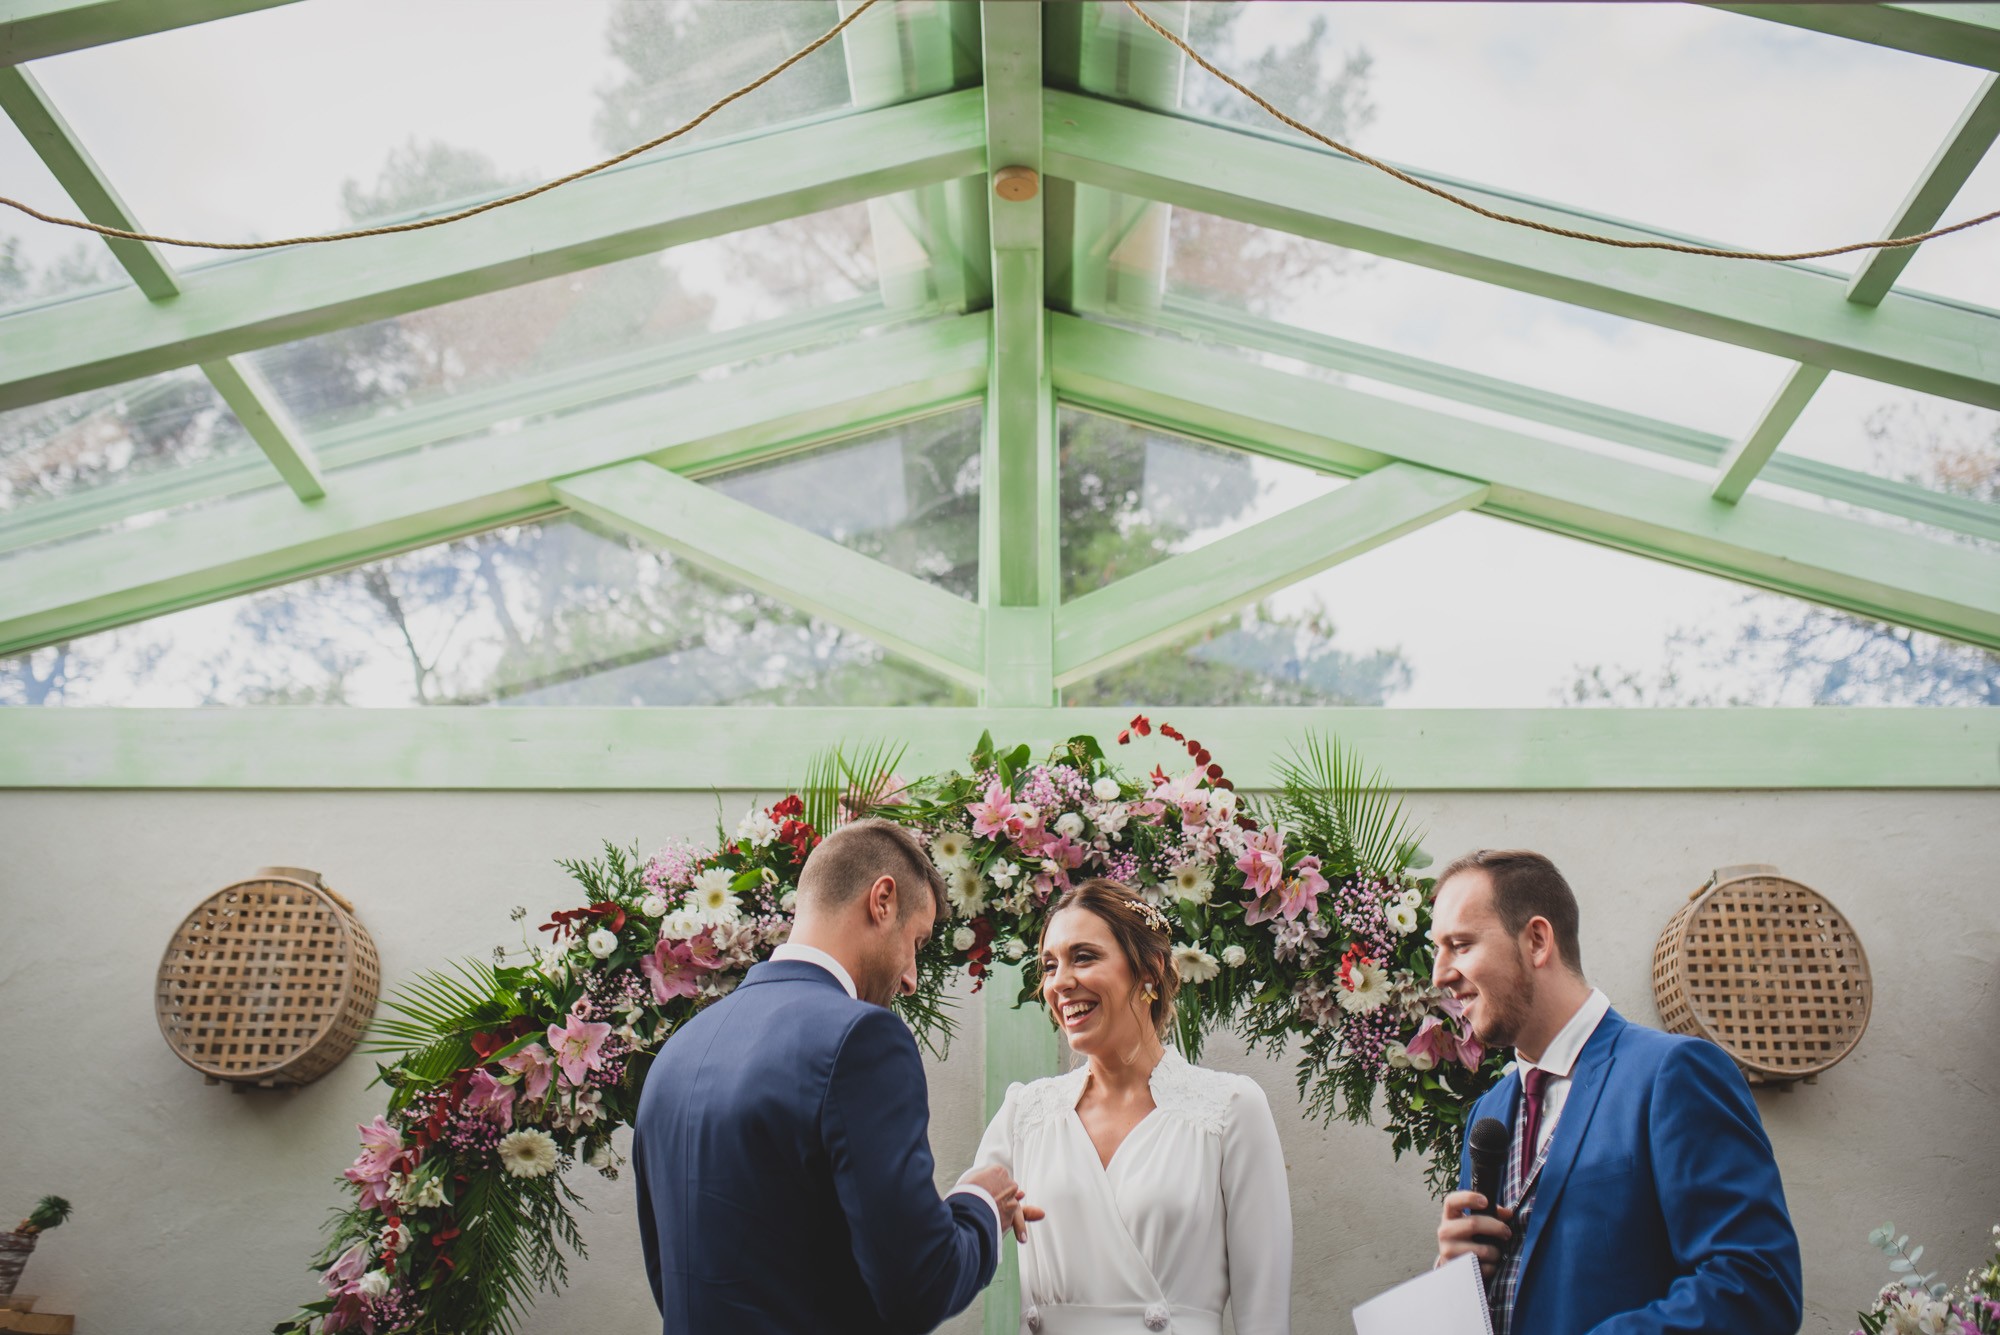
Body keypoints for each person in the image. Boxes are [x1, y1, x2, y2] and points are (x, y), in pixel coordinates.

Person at [633, 818, 1038, 1334]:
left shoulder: (678, 1050)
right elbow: (921, 1285)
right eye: (917, 942)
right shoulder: (862, 1040)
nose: (911, 979)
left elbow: (669, 1280)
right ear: (882, 900)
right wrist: (981, 1203)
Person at [1429, 849, 1802, 1335]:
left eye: (1460, 944)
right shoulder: (1489, 1113)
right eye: (1437, 948)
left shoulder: (1671, 1073)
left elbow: (1756, 1286)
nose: (1439, 974)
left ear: (1538, 941)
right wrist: (1457, 1285)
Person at [967, 878, 1293, 1335]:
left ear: (1149, 969)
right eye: (1048, 965)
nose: (1060, 982)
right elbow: (947, 1247)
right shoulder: (1026, 1113)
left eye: (1083, 956)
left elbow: (1265, 1315)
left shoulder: (1229, 1109)